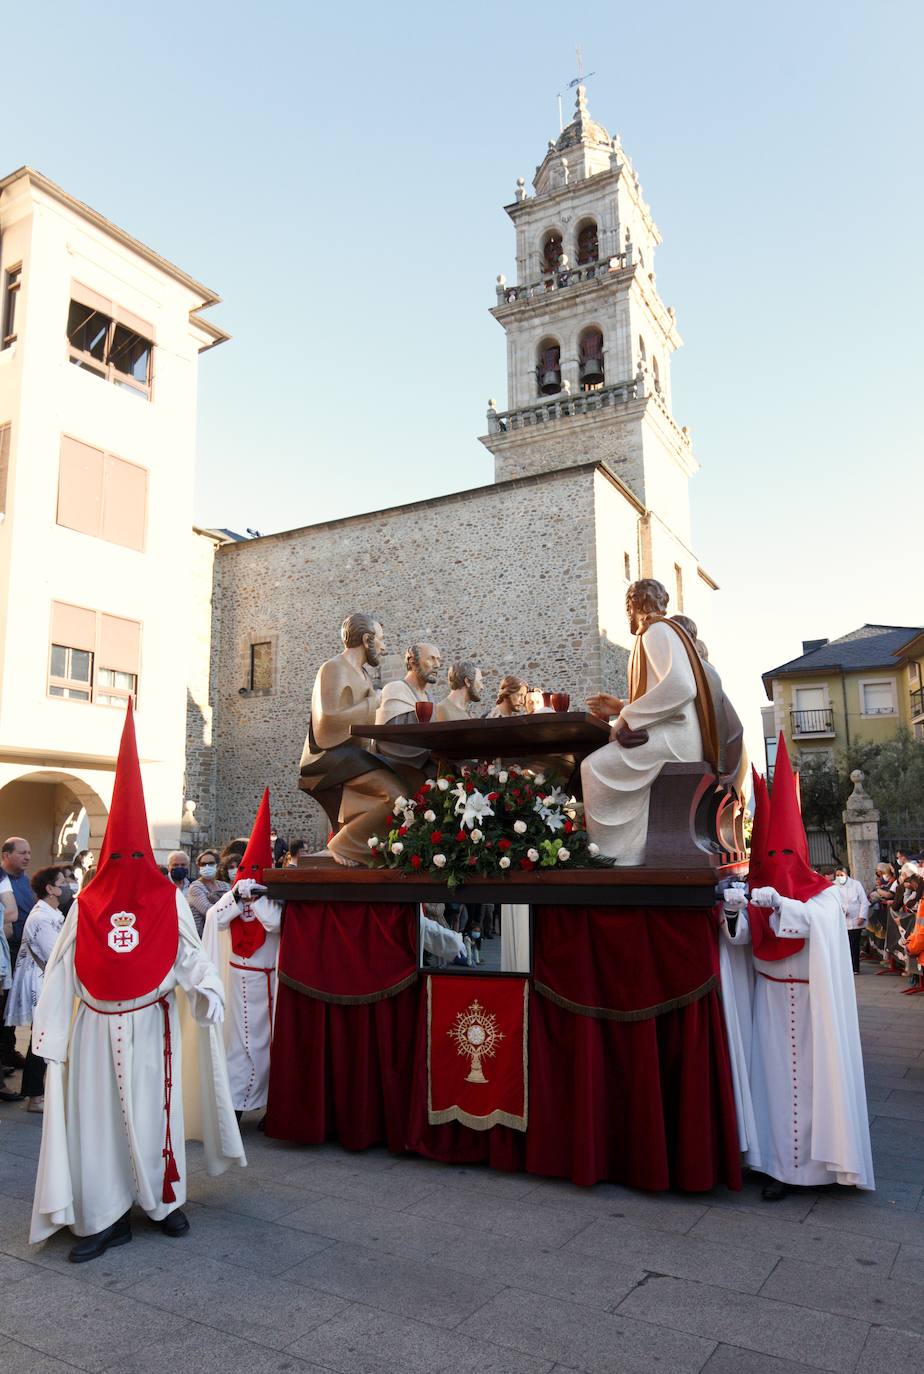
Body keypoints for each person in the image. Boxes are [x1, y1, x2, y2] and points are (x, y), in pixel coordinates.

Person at [29, 703, 245, 1261]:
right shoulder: (87, 903)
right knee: (98, 1128)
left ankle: (162, 1202)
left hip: (153, 1026)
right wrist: (50, 1037)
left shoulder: (167, 897)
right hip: (95, 1032)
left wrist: (208, 988)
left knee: (156, 1115)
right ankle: (104, 1217)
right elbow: (62, 967)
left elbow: (188, 952)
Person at [719, 740, 874, 1200]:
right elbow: (742, 938)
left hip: (811, 1003)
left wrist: (781, 901)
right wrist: (733, 912)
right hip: (768, 999)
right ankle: (773, 1166)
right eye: (770, 858)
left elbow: (817, 923)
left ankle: (821, 1167)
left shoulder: (825, 893)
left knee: (813, 1086)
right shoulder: (758, 887)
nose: (777, 868)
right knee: (772, 1086)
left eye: (785, 856)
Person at [581, 580, 719, 866]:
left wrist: (626, 718)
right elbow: (664, 692)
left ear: (634, 606)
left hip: (675, 740)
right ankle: (631, 849)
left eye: (628, 609)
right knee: (600, 764)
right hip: (677, 735)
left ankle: (613, 855)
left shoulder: (655, 631)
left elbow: (681, 688)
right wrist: (623, 707)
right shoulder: (665, 632)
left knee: (592, 767)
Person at [298, 613, 404, 867]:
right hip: (327, 757)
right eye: (381, 639)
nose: (384, 646)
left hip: (352, 756)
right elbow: (328, 722)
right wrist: (373, 702)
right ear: (367, 639)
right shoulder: (334, 668)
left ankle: (365, 847)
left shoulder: (363, 675)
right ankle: (345, 844)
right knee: (395, 795)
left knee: (405, 778)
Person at [203, 789, 281, 1121]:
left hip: (269, 982)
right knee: (237, 1045)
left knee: (268, 1046)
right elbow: (215, 919)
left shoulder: (274, 897)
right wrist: (237, 897)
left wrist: (258, 898)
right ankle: (236, 1103)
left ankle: (269, 1106)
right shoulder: (234, 894)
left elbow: (274, 924)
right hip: (237, 980)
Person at [4, 865, 67, 1112]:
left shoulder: (52, 913)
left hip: (48, 980)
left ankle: (39, 1092)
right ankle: (34, 1095)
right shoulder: (41, 916)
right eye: (62, 883)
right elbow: (55, 953)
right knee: (41, 1037)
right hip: (41, 982)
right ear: (50, 888)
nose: (66, 887)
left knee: (43, 1035)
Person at [375, 643, 442, 790]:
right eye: (431, 659)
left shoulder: (429, 697)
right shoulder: (395, 689)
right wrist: (429, 754)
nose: (437, 665)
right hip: (403, 774)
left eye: (438, 660)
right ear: (412, 662)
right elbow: (388, 740)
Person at [1, 837, 34, 1075]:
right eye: (22, 852)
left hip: (22, 952)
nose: (27, 857)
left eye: (29, 853)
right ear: (6, 854)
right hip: (6, 951)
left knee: (12, 1005)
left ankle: (8, 1051)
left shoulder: (25, 881)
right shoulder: (2, 880)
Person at [832, 865, 869, 974]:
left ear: (846, 874)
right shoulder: (833, 886)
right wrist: (841, 911)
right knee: (842, 946)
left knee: (854, 945)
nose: (839, 877)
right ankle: (843, 968)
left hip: (855, 920)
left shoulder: (856, 884)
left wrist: (862, 916)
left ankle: (855, 968)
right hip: (841, 921)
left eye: (841, 875)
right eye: (837, 875)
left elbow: (864, 901)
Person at [186, 849, 231, 938]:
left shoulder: (225, 886)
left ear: (217, 865)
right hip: (203, 936)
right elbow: (208, 911)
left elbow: (232, 905)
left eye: (211, 863)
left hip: (222, 934)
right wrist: (228, 907)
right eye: (203, 864)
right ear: (199, 867)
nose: (207, 866)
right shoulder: (195, 887)